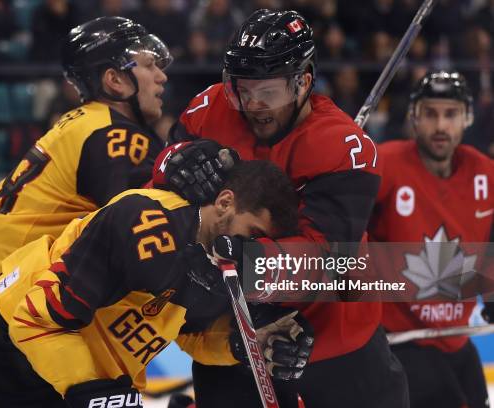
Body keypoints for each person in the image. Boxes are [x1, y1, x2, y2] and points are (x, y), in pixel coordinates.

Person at [164, 9, 408, 408]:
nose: (253, 104)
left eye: (269, 92)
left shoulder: (343, 147)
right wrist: (170, 164)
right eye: (242, 89)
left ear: (303, 83)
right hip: (233, 336)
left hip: (335, 341)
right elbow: (160, 186)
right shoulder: (209, 110)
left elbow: (328, 259)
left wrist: (241, 264)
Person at [0, 16, 172, 407]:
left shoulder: (82, 123)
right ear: (115, 80)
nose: (161, 76)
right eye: (149, 65)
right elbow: (138, 230)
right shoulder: (117, 135)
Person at [0, 160, 313, 408]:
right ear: (224, 203)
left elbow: (190, 334)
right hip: (15, 355)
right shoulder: (143, 223)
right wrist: (91, 391)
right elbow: (35, 321)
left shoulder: (223, 260)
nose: (251, 252)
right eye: (252, 235)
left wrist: (246, 345)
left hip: (87, 375)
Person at [371, 71, 494, 408]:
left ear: (467, 117)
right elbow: (344, 225)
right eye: (430, 113)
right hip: (399, 340)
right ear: (414, 116)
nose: (440, 125)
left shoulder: (484, 173)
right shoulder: (386, 163)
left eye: (451, 114)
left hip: (453, 336)